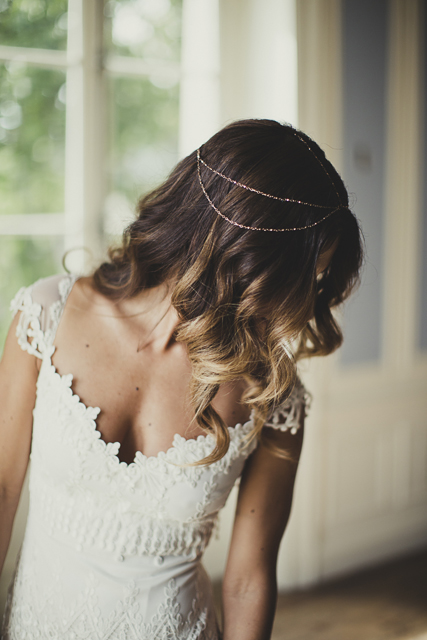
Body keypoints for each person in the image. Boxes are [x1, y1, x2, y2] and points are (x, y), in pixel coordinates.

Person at [0, 119, 363, 640]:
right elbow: (3, 488)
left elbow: (247, 579)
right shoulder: (47, 316)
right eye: (298, 278)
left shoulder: (273, 393)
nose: (303, 301)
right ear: (243, 256)